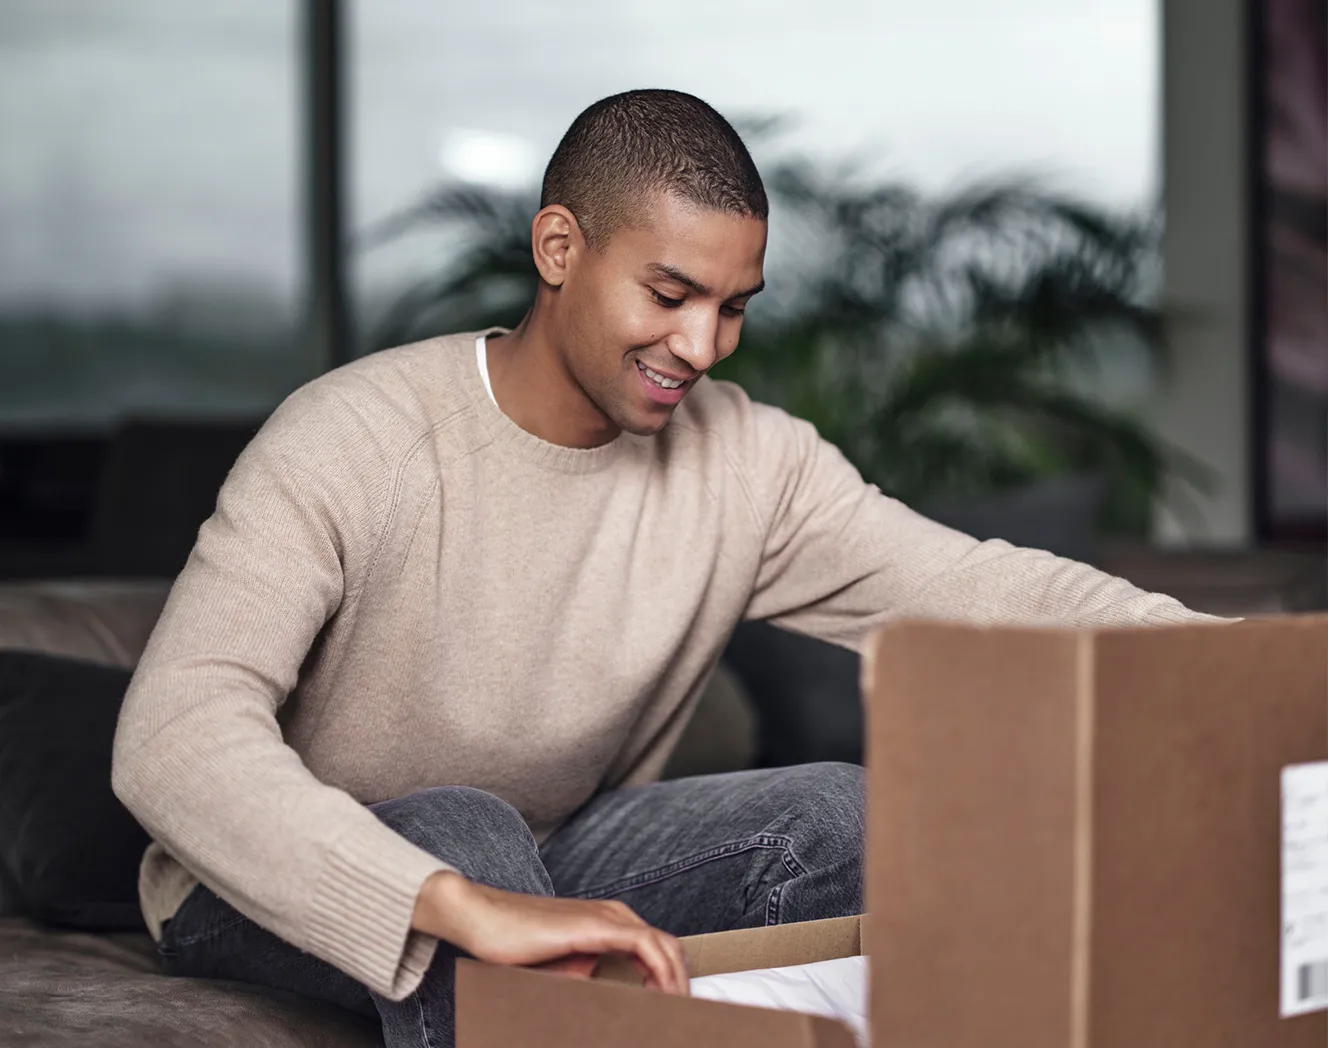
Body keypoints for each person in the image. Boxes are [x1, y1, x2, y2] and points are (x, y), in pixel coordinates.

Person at [111, 89, 1222, 1048]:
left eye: (731, 307)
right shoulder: (353, 436)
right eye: (669, 294)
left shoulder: (747, 462)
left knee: (846, 816)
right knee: (462, 828)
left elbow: (983, 591)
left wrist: (1244, 672)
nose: (700, 346)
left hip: (545, 854)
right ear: (559, 249)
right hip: (271, 875)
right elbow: (173, 733)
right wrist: (450, 900)